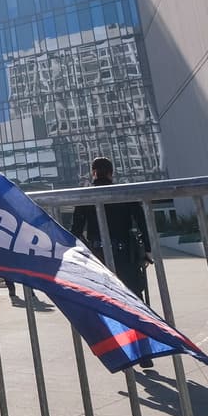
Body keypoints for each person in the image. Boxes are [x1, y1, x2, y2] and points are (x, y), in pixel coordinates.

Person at [70, 156, 154, 367]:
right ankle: (143, 353)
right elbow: (142, 223)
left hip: (99, 258)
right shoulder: (123, 193)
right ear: (111, 172)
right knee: (134, 303)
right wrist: (147, 250)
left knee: (106, 304)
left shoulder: (85, 196)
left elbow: (75, 232)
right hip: (125, 255)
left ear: (93, 172)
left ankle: (119, 353)